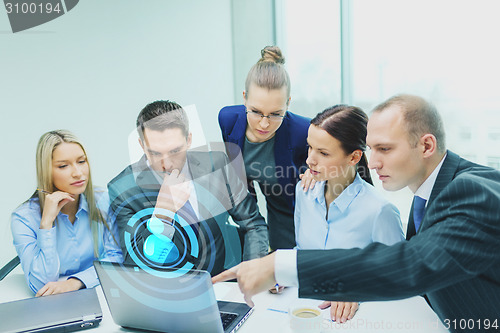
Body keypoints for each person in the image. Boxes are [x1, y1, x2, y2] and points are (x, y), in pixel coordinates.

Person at [213, 94, 500, 331]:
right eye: (371, 149)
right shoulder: (427, 195)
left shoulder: (469, 191)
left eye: (384, 149)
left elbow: (411, 263)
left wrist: (279, 265)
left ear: (426, 145)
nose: (372, 163)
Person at [108, 100, 269, 276]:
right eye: (155, 153)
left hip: (225, 281)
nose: (166, 164)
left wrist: (254, 272)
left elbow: (253, 224)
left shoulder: (217, 165)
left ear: (189, 140)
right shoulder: (122, 190)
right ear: (142, 146)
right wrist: (163, 214)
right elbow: (136, 266)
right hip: (169, 292)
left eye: (175, 151)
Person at [294, 105, 404, 322]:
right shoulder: (304, 192)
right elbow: (302, 251)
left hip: (355, 320)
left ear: (354, 158)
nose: (310, 160)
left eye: (323, 153)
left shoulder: (379, 211)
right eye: (310, 148)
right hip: (303, 308)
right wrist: (278, 271)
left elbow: (400, 275)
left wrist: (357, 288)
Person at [219, 46, 311, 251]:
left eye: (276, 114)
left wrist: (313, 172)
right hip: (268, 198)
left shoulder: (303, 129)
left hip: (296, 206)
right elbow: (239, 173)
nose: (263, 124)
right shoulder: (227, 120)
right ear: (244, 98)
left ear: (288, 103)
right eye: (256, 112)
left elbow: (333, 157)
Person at [11, 130, 122, 296]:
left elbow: (117, 260)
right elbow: (40, 285)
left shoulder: (103, 201)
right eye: (63, 166)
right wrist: (46, 223)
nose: (78, 173)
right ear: (46, 171)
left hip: (99, 292)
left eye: (81, 161)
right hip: (52, 304)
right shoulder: (24, 218)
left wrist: (75, 282)